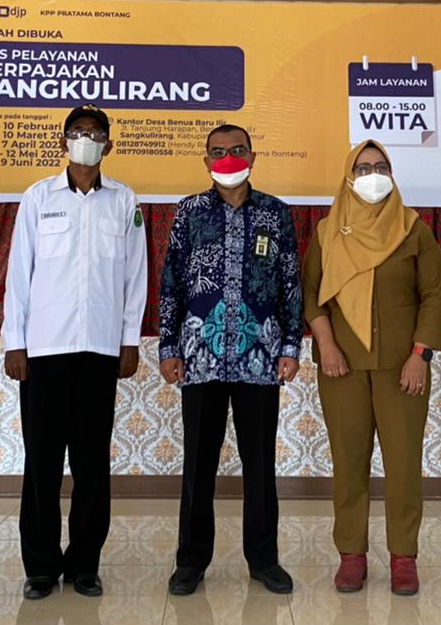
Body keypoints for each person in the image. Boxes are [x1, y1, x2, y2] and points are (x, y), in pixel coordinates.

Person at [2, 105, 148, 600]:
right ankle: (41, 567)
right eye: (78, 132)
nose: (87, 138)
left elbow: (135, 276)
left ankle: (85, 564)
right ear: (63, 141)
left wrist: (129, 339)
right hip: (44, 349)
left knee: (91, 464)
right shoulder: (38, 197)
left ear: (109, 143)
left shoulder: (124, 200)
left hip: (100, 349)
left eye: (95, 132)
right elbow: (19, 273)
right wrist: (15, 342)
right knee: (41, 462)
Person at [158, 124, 302, 597]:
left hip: (260, 359)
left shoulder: (276, 214)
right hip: (200, 357)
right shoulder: (189, 212)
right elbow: (172, 282)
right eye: (218, 151)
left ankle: (264, 560)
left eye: (237, 149)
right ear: (206, 161)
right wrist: (169, 347)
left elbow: (290, 283)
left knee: (260, 465)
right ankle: (190, 561)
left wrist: (290, 346)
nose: (228, 157)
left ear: (252, 156)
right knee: (198, 464)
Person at [302, 140, 441, 596]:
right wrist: (327, 346)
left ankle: (404, 556)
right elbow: (311, 295)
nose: (372, 175)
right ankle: (352, 555)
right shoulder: (327, 231)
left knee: (403, 464)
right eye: (362, 168)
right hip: (341, 366)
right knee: (349, 462)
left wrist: (420, 355)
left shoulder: (413, 229)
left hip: (403, 367)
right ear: (349, 177)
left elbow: (434, 294)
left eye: (380, 166)